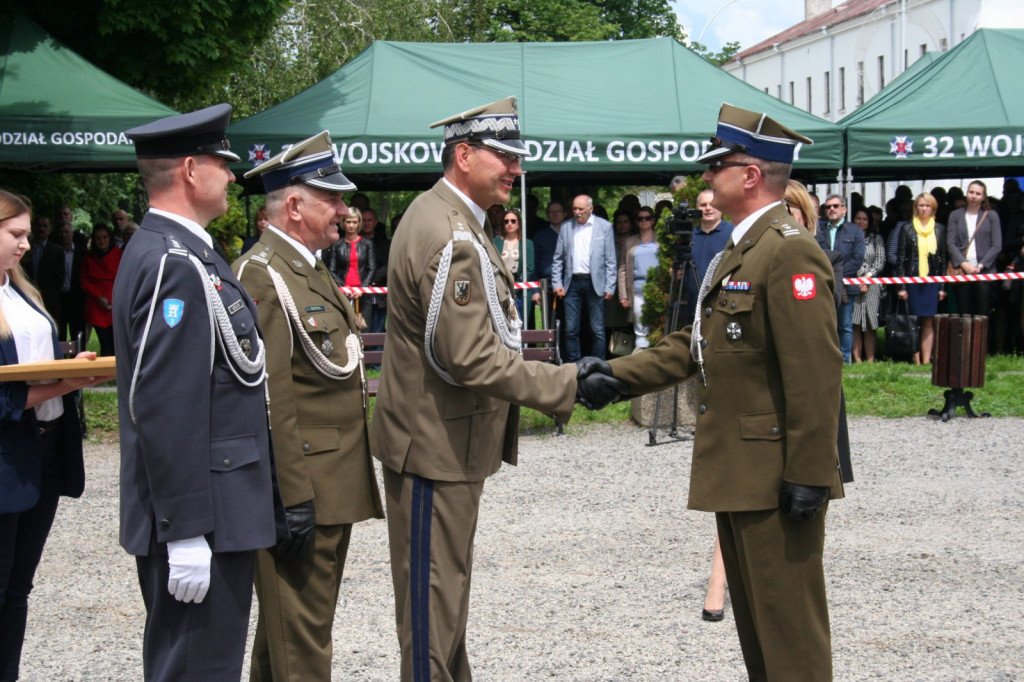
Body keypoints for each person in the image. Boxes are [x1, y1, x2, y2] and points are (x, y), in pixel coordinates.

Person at [579, 104, 844, 681]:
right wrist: (619, 375)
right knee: (760, 634)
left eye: (717, 165)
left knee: (791, 636)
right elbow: (694, 344)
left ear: (750, 174)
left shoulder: (788, 249)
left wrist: (810, 472)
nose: (705, 177)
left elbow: (816, 372)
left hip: (776, 474)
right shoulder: (740, 247)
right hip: (743, 470)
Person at [369, 96, 577, 682]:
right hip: (434, 445)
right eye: (504, 156)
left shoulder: (456, 220)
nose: (517, 168)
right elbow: (471, 358)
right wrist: (564, 384)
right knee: (432, 616)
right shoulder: (448, 232)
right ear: (464, 155)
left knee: (445, 601)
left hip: (445, 443)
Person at [114, 104, 284, 682]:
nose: (232, 176)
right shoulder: (173, 263)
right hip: (200, 517)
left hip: (215, 510)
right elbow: (166, 406)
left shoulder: (185, 253)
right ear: (190, 169)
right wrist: (186, 531)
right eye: (222, 163)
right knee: (193, 670)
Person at [233, 131, 384, 681]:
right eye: (333, 199)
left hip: (330, 485)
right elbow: (269, 396)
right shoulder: (263, 274)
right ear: (294, 205)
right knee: (303, 650)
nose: (345, 212)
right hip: (303, 491)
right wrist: (290, 496)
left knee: (286, 644)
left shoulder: (308, 267)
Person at [0, 190, 105, 681]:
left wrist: (68, 359)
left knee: (19, 588)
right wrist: (66, 382)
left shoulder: (19, 288)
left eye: (25, 234)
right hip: (7, 457)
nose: (25, 244)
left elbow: (31, 358)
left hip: (41, 450)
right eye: (14, 234)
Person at [551, 194, 616, 360]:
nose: (577, 212)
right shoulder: (566, 227)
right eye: (574, 209)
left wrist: (610, 286)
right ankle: (574, 365)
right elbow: (558, 259)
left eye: (580, 209)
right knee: (571, 329)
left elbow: (610, 259)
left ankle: (598, 363)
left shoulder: (604, 227)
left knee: (597, 329)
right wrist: (557, 283)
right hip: (572, 283)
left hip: (595, 283)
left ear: (590, 209)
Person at [896, 194, 948, 365]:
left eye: (927, 205)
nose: (924, 208)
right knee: (913, 321)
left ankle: (926, 361)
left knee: (928, 321)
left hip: (931, 280)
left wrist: (942, 286)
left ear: (933, 208)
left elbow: (942, 258)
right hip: (912, 279)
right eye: (920, 205)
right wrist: (901, 286)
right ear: (915, 208)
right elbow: (901, 259)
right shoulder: (907, 229)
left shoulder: (939, 229)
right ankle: (915, 358)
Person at [817, 194, 865, 363]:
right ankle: (825, 360)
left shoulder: (855, 231)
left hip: (845, 284)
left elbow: (857, 259)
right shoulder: (817, 230)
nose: (832, 209)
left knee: (845, 326)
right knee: (824, 325)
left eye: (836, 206)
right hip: (822, 283)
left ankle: (845, 360)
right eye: (828, 206)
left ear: (844, 209)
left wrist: (837, 275)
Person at [947, 180, 1002, 317]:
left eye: (978, 193)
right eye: (971, 192)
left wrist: (979, 267)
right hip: (962, 271)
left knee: (983, 315)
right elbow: (950, 243)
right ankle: (965, 339)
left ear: (983, 197)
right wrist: (965, 265)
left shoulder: (991, 215)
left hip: (984, 272)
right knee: (964, 314)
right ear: (966, 194)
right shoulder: (955, 215)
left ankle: (981, 340)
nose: (974, 196)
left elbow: (997, 245)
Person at [684, 189, 733, 325]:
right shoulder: (688, 236)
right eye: (703, 205)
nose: (708, 208)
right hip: (692, 308)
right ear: (697, 208)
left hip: (722, 306)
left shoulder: (733, 234)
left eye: (712, 204)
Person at [323, 206, 376, 318]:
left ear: (359, 224)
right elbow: (331, 270)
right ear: (343, 223)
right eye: (348, 222)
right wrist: (345, 287)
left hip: (363, 293)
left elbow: (371, 268)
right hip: (343, 292)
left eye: (354, 222)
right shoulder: (336, 245)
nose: (351, 225)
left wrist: (362, 288)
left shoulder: (367, 244)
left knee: (365, 329)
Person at [80, 223, 122, 357]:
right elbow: (84, 281)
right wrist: (99, 297)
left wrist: (112, 299)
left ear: (110, 238)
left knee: (117, 341)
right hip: (96, 304)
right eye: (98, 238)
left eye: (104, 237)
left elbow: (124, 279)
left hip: (115, 301)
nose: (101, 241)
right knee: (105, 342)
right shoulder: (89, 258)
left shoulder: (119, 254)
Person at [620, 206, 658, 349]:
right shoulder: (629, 242)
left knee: (658, 325)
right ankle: (641, 357)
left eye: (647, 218)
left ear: (653, 220)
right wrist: (623, 295)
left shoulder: (661, 238)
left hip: (658, 289)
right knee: (640, 328)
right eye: (640, 218)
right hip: (637, 290)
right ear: (636, 222)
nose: (644, 221)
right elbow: (622, 269)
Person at [850, 207, 885, 363]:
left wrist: (867, 278)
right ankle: (857, 359)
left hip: (872, 284)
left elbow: (880, 261)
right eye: (858, 218)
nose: (861, 222)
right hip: (853, 283)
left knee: (871, 323)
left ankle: (870, 359)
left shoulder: (876, 239)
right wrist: (857, 280)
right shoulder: (849, 238)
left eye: (864, 219)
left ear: (869, 222)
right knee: (855, 322)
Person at [531, 201, 567, 337]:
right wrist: (535, 290)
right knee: (550, 324)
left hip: (570, 286)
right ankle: (551, 354)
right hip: (547, 286)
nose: (555, 214)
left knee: (570, 326)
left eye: (557, 211)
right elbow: (534, 264)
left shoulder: (572, 233)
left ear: (565, 214)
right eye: (551, 212)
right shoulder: (540, 236)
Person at [494, 208, 535, 325]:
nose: (510, 224)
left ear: (519, 223)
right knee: (502, 322)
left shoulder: (527, 243)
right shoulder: (496, 242)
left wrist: (519, 282)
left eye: (513, 221)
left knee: (521, 322)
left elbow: (530, 267)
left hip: (521, 289)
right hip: (501, 286)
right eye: (506, 221)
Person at [54, 220, 86, 344]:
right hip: (59, 299)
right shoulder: (53, 252)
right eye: (61, 232)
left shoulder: (82, 253)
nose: (64, 235)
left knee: (77, 333)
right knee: (59, 334)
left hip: (76, 299)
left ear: (72, 233)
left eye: (66, 232)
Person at [360, 207, 390, 334]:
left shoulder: (385, 244)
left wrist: (374, 280)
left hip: (380, 295)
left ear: (375, 222)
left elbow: (388, 265)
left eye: (369, 220)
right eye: (364, 220)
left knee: (378, 332)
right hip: (359, 293)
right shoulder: (354, 243)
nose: (367, 223)